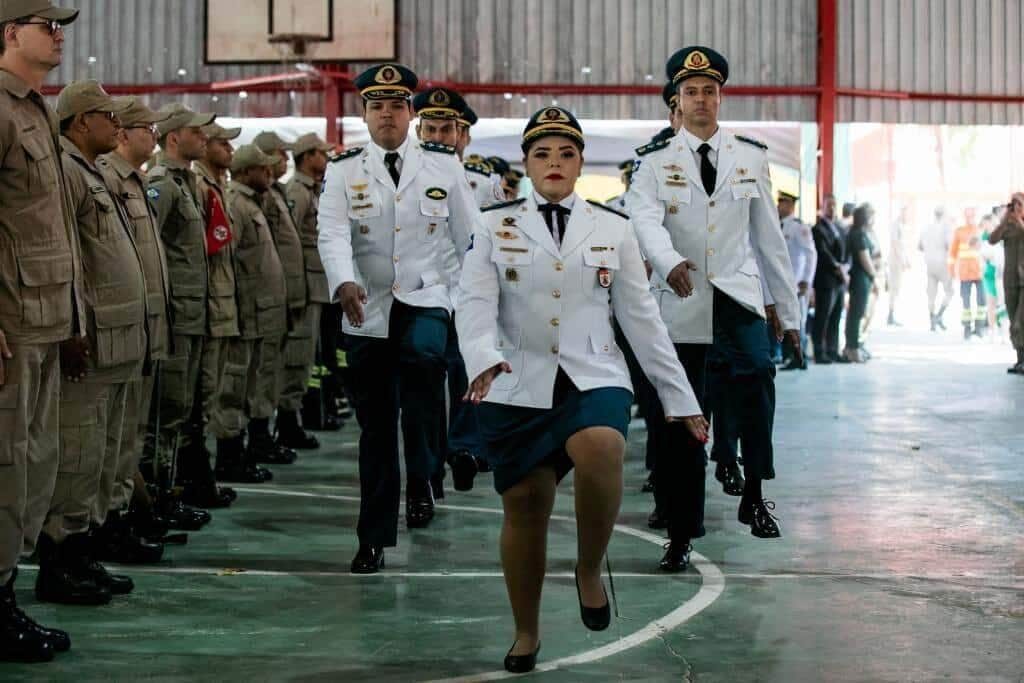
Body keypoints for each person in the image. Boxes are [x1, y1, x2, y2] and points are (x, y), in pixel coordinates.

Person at [457, 106, 706, 674]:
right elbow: (473, 304)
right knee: (525, 506)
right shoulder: (491, 225)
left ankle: (589, 567)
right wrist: (482, 359)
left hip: (594, 374)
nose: (554, 163)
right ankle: (526, 630)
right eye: (542, 153)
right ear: (526, 163)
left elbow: (642, 319)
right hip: (515, 380)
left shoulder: (612, 227)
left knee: (603, 445)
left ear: (579, 165)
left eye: (566, 154)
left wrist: (680, 398)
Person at [628, 46, 802, 559]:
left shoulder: (751, 157)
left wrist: (786, 313)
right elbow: (643, 221)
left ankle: (754, 492)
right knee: (683, 415)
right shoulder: (654, 163)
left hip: (736, 295)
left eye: (709, 91)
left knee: (758, 373)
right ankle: (681, 534)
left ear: (720, 98)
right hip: (680, 299)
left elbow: (769, 241)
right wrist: (668, 261)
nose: (700, 99)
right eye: (690, 92)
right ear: (677, 104)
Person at [317, 63, 479, 573]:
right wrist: (342, 280)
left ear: (411, 112)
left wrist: (466, 299)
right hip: (366, 306)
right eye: (376, 106)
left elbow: (468, 237)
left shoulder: (442, 166)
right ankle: (373, 538)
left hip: (427, 298)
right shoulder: (343, 169)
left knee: (425, 366)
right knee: (377, 428)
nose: (386, 115)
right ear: (363, 114)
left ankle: (425, 482)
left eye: (395, 105)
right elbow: (332, 234)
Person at [35, 80, 140, 609]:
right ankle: (58, 563)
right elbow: (70, 256)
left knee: (99, 453)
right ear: (79, 121)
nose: (116, 125)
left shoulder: (91, 170)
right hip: (92, 338)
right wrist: (73, 329)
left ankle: (83, 552)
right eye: (106, 115)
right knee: (76, 454)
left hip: (117, 337)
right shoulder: (67, 171)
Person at [0, 2, 83, 661]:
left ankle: (5, 593)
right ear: (8, 33)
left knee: (32, 465)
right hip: (11, 325)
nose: (58, 35)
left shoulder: (35, 111)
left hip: (45, 320)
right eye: (46, 24)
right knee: (6, 468)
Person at [96, 97, 173, 562]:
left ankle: (121, 518)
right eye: (146, 128)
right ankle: (105, 526)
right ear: (122, 133)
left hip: (143, 323)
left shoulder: (135, 182)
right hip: (116, 324)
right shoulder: (105, 179)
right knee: (109, 439)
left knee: (129, 435)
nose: (154, 136)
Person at [146, 103, 217, 531]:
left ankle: (167, 494)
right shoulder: (161, 185)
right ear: (174, 137)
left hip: (192, 314)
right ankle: (152, 499)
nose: (204, 138)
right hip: (175, 315)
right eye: (197, 131)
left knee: (179, 412)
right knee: (166, 412)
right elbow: (148, 247)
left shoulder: (185, 182)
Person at [412, 86, 482, 493]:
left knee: (468, 376)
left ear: (462, 135)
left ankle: (463, 450)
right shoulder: (406, 179)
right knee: (423, 393)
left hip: (470, 296)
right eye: (431, 130)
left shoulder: (482, 182)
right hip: (426, 297)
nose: (438, 138)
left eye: (446, 130)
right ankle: (426, 477)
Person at [253, 130, 318, 455]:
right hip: (283, 293)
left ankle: (289, 420)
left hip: (298, 289)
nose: (284, 159)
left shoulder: (280, 191)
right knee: (287, 361)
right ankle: (281, 424)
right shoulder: (288, 192)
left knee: (298, 359)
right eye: (279, 153)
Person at [284, 132, 339, 430]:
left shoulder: (315, 190)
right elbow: (290, 240)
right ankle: (298, 416)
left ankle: (316, 409)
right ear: (307, 157)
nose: (326, 158)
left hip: (320, 285)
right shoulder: (297, 191)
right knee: (303, 352)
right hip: (306, 284)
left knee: (319, 352)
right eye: (321, 152)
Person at [779, 190, 815, 370]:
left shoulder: (799, 227)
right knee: (785, 319)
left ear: (791, 205)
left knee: (797, 319)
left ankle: (799, 357)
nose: (779, 205)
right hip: (781, 282)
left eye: (782, 202)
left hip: (797, 282)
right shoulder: (778, 225)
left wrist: (806, 281)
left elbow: (811, 254)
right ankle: (789, 356)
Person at [989, 193, 1024, 373]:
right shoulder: (1008, 225)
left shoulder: (1020, 224)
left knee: (1021, 321)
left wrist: (1019, 219)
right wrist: (1004, 220)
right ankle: (1020, 360)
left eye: (1019, 203)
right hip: (1010, 279)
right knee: (1013, 321)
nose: (1016, 207)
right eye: (1014, 204)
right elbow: (992, 239)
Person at [812, 194, 848, 363]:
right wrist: (836, 267)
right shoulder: (818, 229)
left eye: (834, 205)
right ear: (823, 207)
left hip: (839, 281)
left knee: (835, 316)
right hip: (826, 280)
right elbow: (823, 252)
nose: (832, 209)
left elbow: (846, 252)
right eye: (829, 205)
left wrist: (845, 268)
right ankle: (819, 351)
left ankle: (833, 350)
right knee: (822, 316)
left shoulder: (839, 229)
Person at [842, 204, 879, 363]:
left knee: (855, 314)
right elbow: (864, 258)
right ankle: (853, 348)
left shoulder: (859, 233)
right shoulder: (858, 234)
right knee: (857, 314)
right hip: (860, 277)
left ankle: (851, 348)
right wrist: (874, 276)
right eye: (871, 215)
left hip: (860, 277)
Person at [949, 207, 987, 340]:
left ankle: (979, 327)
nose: (970, 218)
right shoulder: (959, 232)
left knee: (981, 301)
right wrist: (951, 269)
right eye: (968, 216)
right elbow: (952, 253)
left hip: (979, 272)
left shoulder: (979, 231)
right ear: (964, 216)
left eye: (972, 216)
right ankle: (967, 327)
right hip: (965, 272)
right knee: (966, 302)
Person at [919, 206, 954, 331]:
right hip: (942, 263)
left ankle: (932, 321)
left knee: (931, 295)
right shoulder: (946, 228)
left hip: (929, 263)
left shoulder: (926, 227)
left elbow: (919, 246)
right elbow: (950, 245)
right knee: (949, 291)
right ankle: (939, 315)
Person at [887, 204, 912, 326]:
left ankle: (893, 313)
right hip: (895, 262)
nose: (907, 215)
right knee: (894, 288)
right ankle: (891, 314)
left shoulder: (903, 226)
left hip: (900, 261)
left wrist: (906, 260)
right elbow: (895, 244)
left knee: (897, 289)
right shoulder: (896, 225)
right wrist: (902, 261)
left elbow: (903, 246)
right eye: (905, 212)